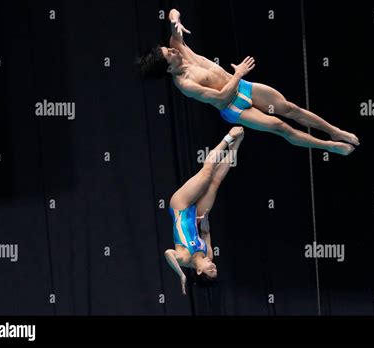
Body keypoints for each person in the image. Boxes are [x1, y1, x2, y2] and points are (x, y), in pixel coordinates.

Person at [137, 9, 360, 156]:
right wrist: (238, 74)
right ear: (168, 67)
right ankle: (329, 146)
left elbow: (172, 11)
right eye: (170, 53)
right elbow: (222, 97)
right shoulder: (185, 85)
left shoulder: (180, 47)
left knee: (291, 108)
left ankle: (334, 131)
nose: (174, 49)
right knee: (281, 127)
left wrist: (175, 19)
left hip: (243, 87)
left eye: (170, 48)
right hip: (234, 107)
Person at [164, 127, 244, 295]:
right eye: (215, 269)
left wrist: (181, 275)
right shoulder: (208, 254)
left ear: (199, 271)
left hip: (180, 205)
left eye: (211, 269)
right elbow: (206, 233)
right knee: (215, 181)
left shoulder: (185, 259)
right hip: (196, 215)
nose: (214, 265)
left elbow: (168, 253)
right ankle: (237, 142)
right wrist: (205, 217)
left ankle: (229, 137)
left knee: (207, 171)